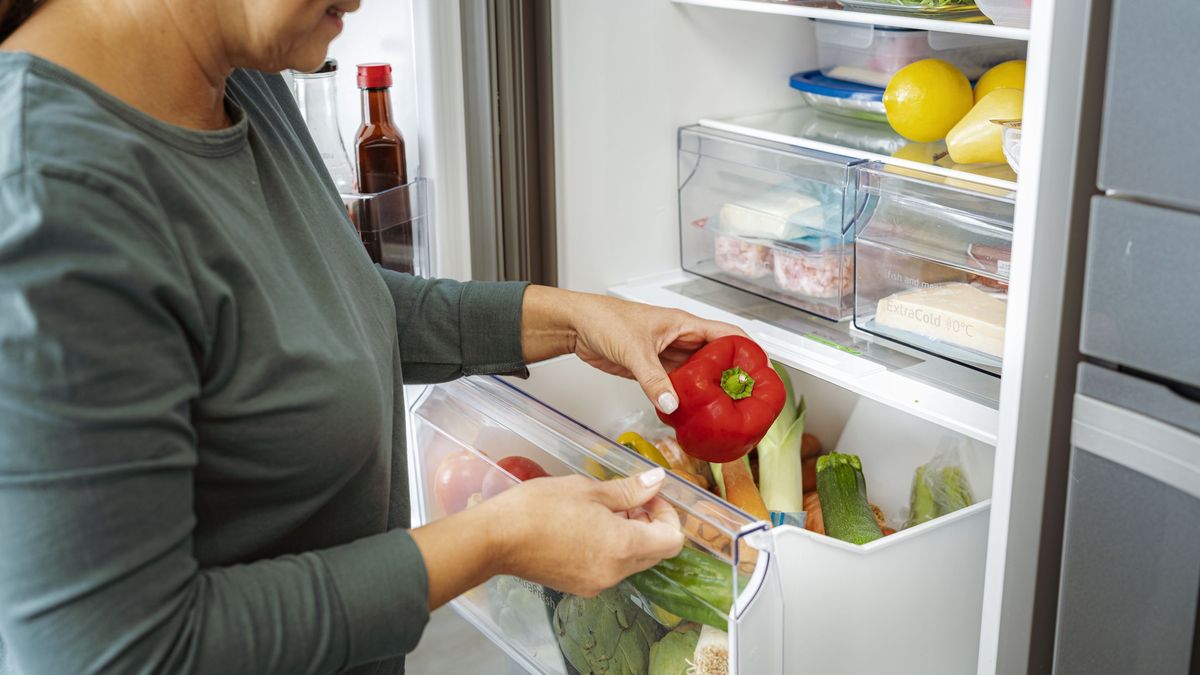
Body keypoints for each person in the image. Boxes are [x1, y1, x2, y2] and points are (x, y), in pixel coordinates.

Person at [0, 1, 745, 673]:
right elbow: (117, 653)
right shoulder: (51, 195)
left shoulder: (237, 71)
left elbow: (309, 311)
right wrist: (494, 540)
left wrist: (570, 317)